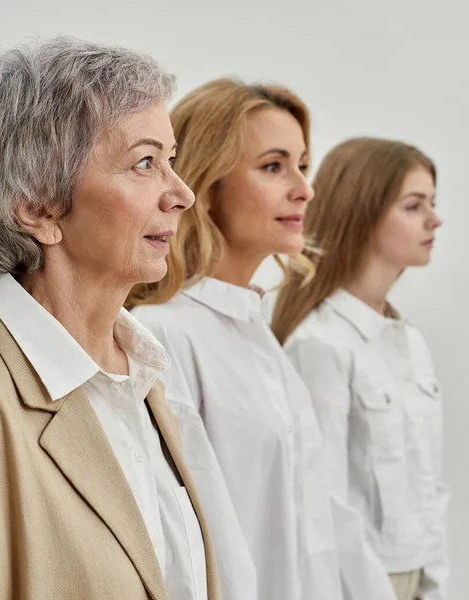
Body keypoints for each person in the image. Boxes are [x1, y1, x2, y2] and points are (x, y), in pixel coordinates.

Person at [0, 37, 221, 600]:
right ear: (38, 208)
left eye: (172, 161)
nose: (183, 194)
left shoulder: (144, 377)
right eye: (145, 163)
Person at [128, 79, 396, 600]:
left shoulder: (258, 335)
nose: (304, 189)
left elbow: (322, 517)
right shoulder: (166, 335)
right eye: (273, 167)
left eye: (302, 165)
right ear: (205, 188)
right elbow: (192, 547)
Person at [272, 137, 450, 600]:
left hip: (418, 577)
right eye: (414, 206)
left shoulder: (409, 341)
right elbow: (323, 503)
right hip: (359, 585)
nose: (435, 220)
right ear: (362, 211)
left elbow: (428, 482)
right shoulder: (318, 344)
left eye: (432, 203)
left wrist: (434, 580)